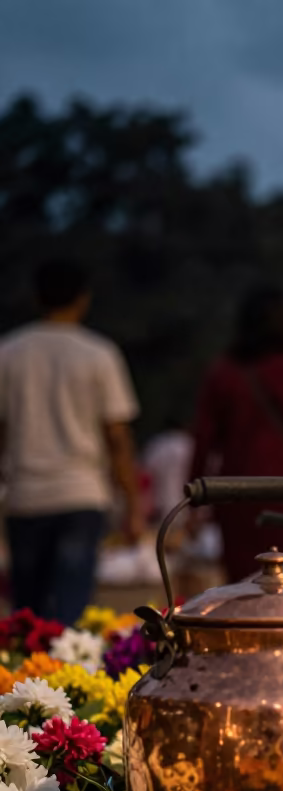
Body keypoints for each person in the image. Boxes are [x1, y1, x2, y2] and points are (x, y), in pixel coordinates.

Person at [0, 258, 142, 624]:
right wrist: (133, 504)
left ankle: (23, 680)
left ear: (36, 297)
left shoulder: (9, 352)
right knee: (69, 610)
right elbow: (117, 438)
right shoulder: (98, 353)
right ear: (83, 298)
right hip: (80, 494)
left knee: (26, 615)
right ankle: (63, 680)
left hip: (25, 495)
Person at [190, 286, 283, 583]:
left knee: (240, 588)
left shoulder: (223, 373)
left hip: (235, 495)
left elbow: (203, 442)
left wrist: (195, 500)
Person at [142, 418, 194, 523]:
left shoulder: (156, 445)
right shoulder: (189, 445)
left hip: (160, 506)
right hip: (185, 505)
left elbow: (146, 478)